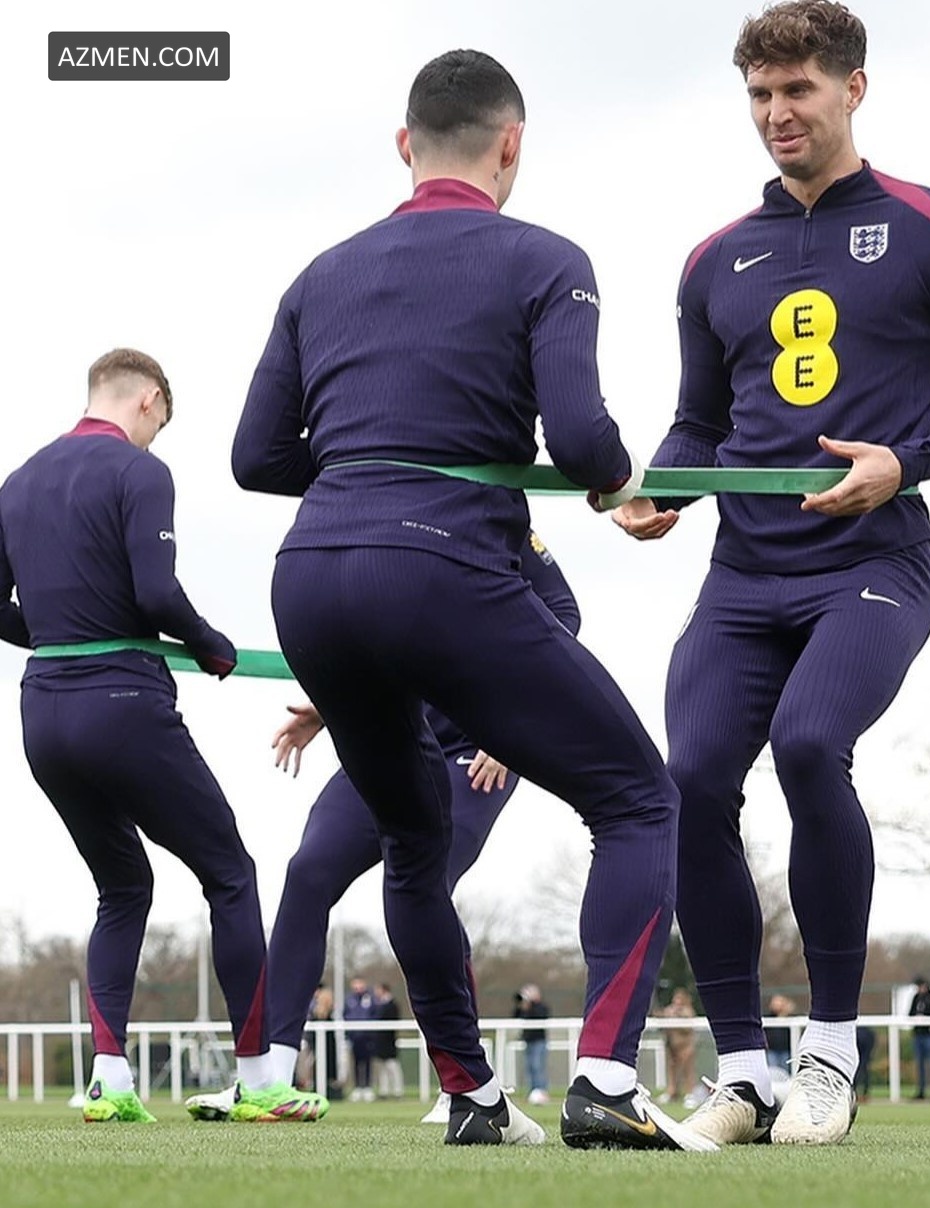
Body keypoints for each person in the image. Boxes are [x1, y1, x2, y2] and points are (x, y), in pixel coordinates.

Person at [231, 49, 714, 1152]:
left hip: (308, 574)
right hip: (442, 568)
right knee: (639, 801)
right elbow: (581, 439)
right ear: (511, 145)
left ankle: (473, 1096)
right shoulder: (544, 258)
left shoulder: (319, 273)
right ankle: (604, 1079)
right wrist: (617, 486)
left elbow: (255, 457)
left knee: (413, 839)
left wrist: (366, 466)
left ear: (405, 145)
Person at [612, 0, 930, 1147]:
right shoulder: (712, 258)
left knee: (809, 743)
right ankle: (745, 1072)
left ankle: (829, 1051)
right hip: (742, 574)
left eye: (797, 88)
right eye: (759, 94)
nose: (776, 112)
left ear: (851, 87)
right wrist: (660, 484)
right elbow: (698, 421)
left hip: (872, 562)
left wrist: (905, 460)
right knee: (692, 776)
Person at [0, 349, 327, 1124]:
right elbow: (155, 591)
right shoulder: (138, 471)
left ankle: (109, 1083)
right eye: (160, 424)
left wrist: (64, 635)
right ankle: (260, 1080)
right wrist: (211, 646)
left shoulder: (17, 482)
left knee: (122, 888)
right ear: (148, 399)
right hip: (122, 704)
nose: (156, 438)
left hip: (43, 712)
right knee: (230, 873)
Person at [185, 529, 583, 1127]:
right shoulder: (380, 518)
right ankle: (270, 1079)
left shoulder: (498, 519)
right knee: (308, 872)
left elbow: (564, 614)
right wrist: (329, 708)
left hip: (474, 756)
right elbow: (375, 634)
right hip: (393, 740)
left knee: (426, 885)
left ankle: (466, 1083)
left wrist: (514, 726)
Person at [659, 987, 697, 1106]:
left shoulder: (687, 1011)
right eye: (675, 999)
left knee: (688, 1072)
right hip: (672, 1047)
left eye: (679, 999)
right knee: (672, 1071)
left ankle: (690, 1094)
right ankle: (672, 1092)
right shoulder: (669, 1010)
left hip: (686, 1047)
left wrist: (678, 1016)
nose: (677, 1001)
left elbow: (688, 1028)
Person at [514, 984, 551, 1105]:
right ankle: (532, 1092)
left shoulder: (541, 1007)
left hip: (539, 1041)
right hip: (528, 1041)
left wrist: (532, 1005)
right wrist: (522, 1006)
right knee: (530, 1068)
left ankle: (542, 1092)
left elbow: (542, 1015)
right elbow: (516, 1017)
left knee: (537, 1066)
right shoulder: (524, 1008)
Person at [908, 978, 930, 1100]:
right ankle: (921, 1091)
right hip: (919, 1035)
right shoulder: (916, 998)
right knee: (920, 1065)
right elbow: (910, 1013)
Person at [344, 977, 376, 1101]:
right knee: (356, 1063)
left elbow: (374, 1014)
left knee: (368, 1063)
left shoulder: (370, 999)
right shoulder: (349, 999)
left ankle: (367, 1087)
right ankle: (357, 1087)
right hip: (354, 1037)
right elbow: (346, 1015)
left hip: (368, 1037)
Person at [373, 983, 405, 1100]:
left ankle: (398, 1091)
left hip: (388, 1041)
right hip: (380, 1041)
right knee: (382, 1067)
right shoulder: (379, 1004)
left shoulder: (392, 1005)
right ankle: (384, 1091)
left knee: (392, 1066)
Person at [764, 995, 797, 1073]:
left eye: (779, 1002)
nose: (777, 1004)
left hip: (786, 1051)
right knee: (772, 1071)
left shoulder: (790, 1018)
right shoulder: (767, 1018)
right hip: (772, 1051)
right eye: (775, 1002)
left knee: (786, 1072)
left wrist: (785, 1013)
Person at [854, 1024, 875, 1103]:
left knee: (857, 1066)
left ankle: (855, 1093)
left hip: (858, 1033)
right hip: (866, 1034)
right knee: (864, 1066)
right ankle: (864, 1093)